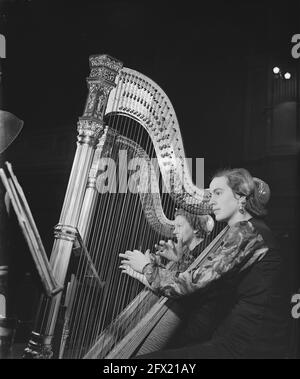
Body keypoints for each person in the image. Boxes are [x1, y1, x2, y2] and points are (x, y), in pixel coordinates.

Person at [119, 168, 290, 359]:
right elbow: (206, 277)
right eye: (209, 194)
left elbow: (189, 285)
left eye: (218, 193)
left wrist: (145, 267)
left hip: (250, 345)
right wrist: (180, 259)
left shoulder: (247, 232)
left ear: (241, 197)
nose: (211, 200)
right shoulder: (245, 230)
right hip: (237, 336)